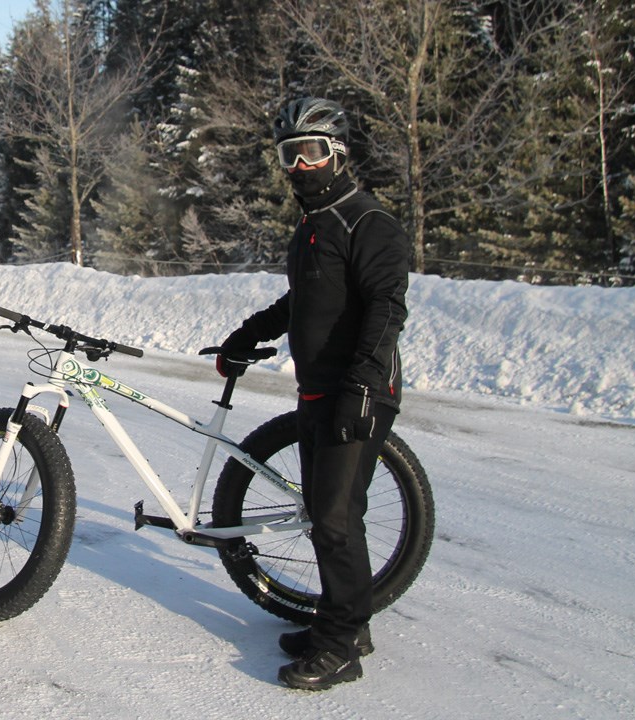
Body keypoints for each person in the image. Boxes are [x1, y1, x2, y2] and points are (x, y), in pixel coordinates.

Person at [216, 97, 410, 690]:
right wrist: (247, 336)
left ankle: (340, 649)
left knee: (331, 518)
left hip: (360, 390)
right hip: (318, 389)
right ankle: (346, 624)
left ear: (338, 154)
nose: (300, 165)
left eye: (312, 151)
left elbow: (386, 308)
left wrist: (361, 385)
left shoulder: (366, 221)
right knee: (328, 514)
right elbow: (301, 302)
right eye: (289, 154)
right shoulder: (313, 226)